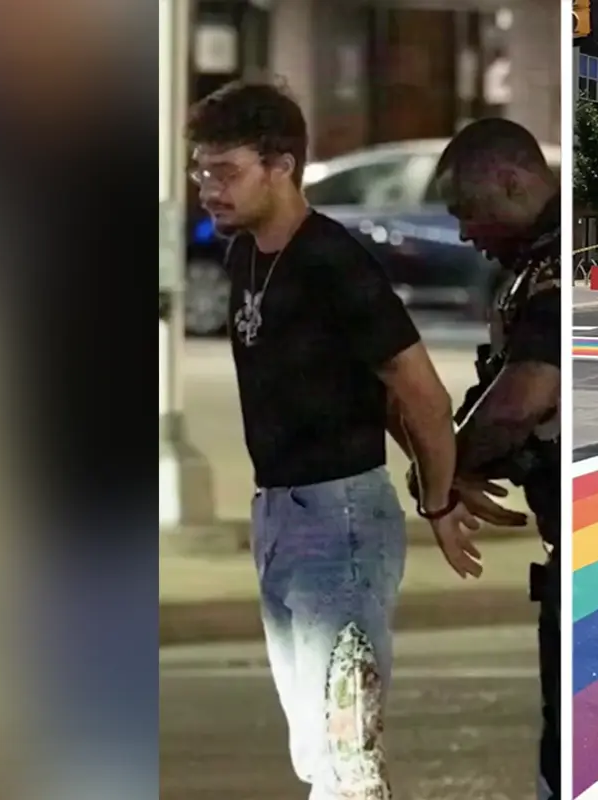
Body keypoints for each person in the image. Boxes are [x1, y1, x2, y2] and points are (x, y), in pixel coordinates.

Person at [186, 79, 481, 800]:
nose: (209, 190)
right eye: (201, 172)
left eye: (225, 172)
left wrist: (439, 500)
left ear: (281, 165)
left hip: (340, 522)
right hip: (278, 517)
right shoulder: (244, 255)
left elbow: (420, 392)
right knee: (318, 754)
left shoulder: (334, 261)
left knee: (348, 758)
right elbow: (374, 393)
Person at [410, 117, 562, 799]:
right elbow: (495, 391)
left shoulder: (558, 269)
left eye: (467, 211)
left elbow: (519, 401)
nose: (466, 233)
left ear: (513, 181)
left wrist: (442, 472)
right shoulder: (528, 270)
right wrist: (451, 457)